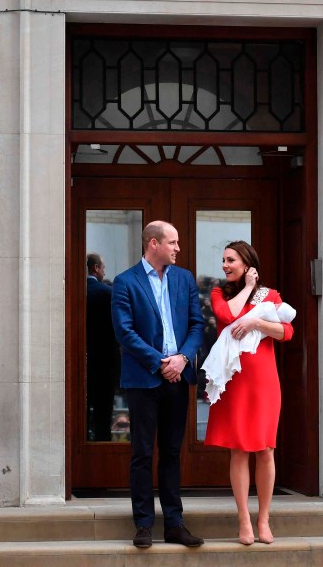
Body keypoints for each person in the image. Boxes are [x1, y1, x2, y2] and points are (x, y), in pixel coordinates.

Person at [111, 220, 205, 549]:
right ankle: (144, 524)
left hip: (178, 378)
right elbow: (124, 332)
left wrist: (182, 358)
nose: (178, 248)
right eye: (173, 242)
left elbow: (196, 324)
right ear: (154, 244)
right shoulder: (125, 282)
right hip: (144, 379)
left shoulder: (184, 279)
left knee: (172, 453)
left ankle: (174, 524)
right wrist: (159, 362)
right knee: (142, 453)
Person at [203, 241, 294, 546]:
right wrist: (249, 287)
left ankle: (264, 519)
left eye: (231, 260)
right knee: (239, 449)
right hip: (234, 381)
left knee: (266, 449)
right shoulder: (220, 292)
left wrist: (257, 321)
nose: (225, 265)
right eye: (224, 260)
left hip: (264, 381)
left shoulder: (270, 296)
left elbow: (287, 332)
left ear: (246, 262)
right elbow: (227, 316)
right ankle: (244, 520)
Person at [86, 253, 120, 441]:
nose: (104, 272)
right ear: (96, 268)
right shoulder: (107, 292)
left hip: (80, 360)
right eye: (103, 268)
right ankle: (102, 446)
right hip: (105, 361)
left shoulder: (75, 291)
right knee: (103, 412)